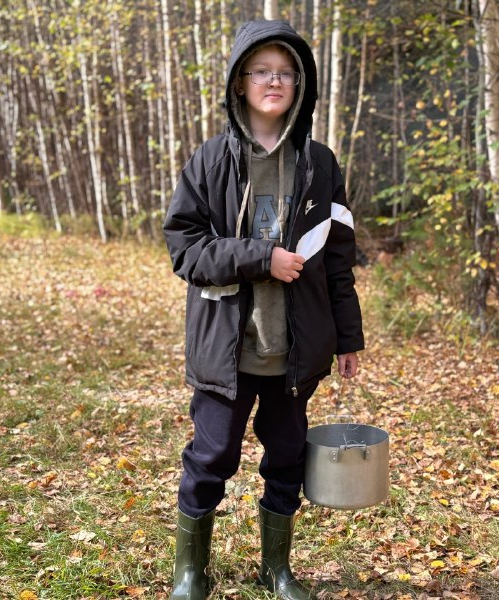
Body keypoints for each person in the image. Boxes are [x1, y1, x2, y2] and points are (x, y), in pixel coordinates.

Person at [163, 20, 364, 600]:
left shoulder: (319, 164)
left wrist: (348, 337)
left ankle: (276, 569)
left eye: (285, 73)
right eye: (262, 72)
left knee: (287, 458)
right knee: (212, 456)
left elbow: (338, 259)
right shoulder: (210, 161)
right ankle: (191, 573)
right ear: (239, 82)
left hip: (295, 351)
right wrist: (260, 257)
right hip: (227, 348)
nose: (274, 82)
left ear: (300, 85)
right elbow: (186, 250)